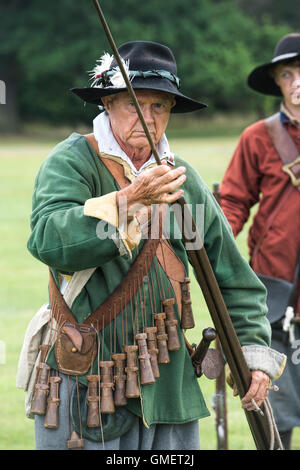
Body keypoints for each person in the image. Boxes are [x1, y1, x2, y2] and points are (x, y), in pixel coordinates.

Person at [22, 40, 285, 451]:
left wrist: (253, 356)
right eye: (134, 104)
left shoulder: (182, 178)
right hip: (88, 376)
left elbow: (231, 275)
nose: (147, 118)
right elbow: (50, 241)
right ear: (107, 103)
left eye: (159, 106)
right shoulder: (72, 161)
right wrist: (129, 201)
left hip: (170, 385)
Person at [220, 33, 300, 450]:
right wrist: (206, 248)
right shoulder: (258, 137)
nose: (298, 82)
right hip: (272, 295)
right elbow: (231, 205)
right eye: (288, 74)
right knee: (275, 419)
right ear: (277, 81)